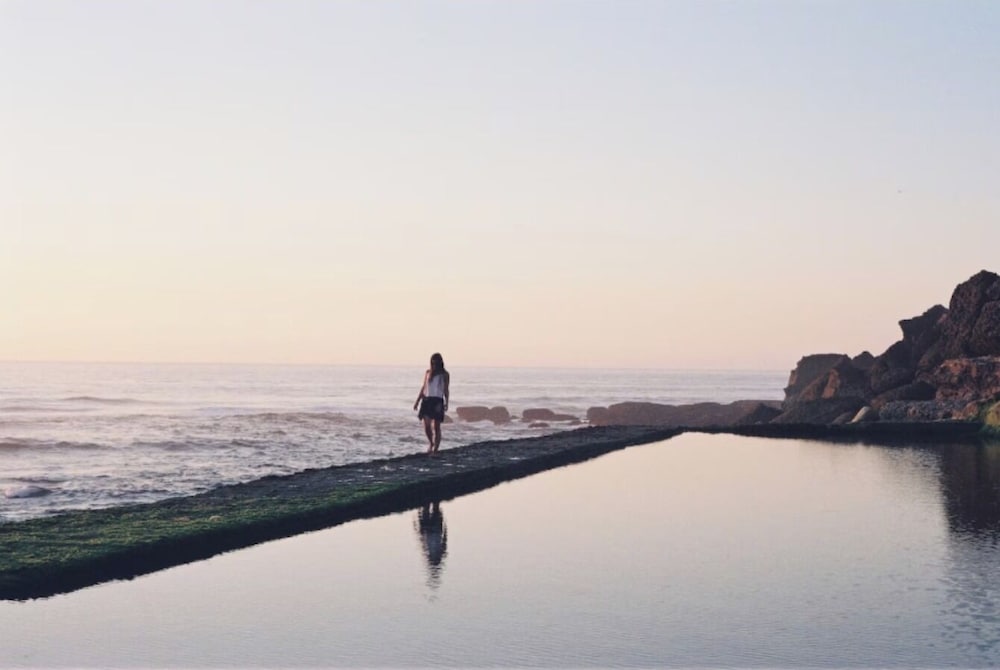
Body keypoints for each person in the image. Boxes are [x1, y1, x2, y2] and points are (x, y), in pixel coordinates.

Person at [413, 352, 450, 454]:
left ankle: (436, 449)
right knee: (426, 425)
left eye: (436, 361)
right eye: (433, 361)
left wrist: (447, 402)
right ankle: (431, 443)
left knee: (436, 426)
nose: (434, 363)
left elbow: (446, 389)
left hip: (437, 400)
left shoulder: (445, 374)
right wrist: (417, 401)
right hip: (427, 399)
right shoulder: (428, 372)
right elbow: (423, 387)